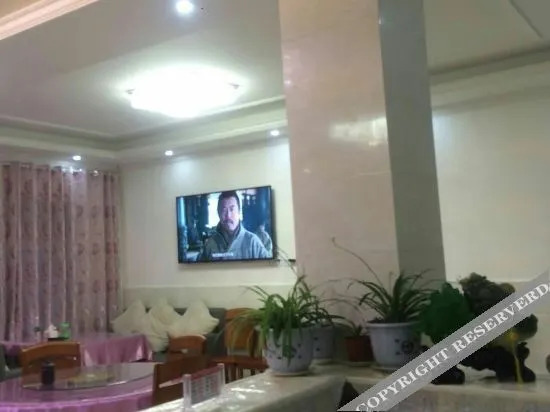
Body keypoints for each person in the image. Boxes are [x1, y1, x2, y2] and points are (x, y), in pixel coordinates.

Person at [200, 191, 270, 261]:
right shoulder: (210, 244)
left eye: (232, 209)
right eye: (224, 210)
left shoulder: (253, 242)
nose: (228, 215)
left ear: (239, 211)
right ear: (218, 213)